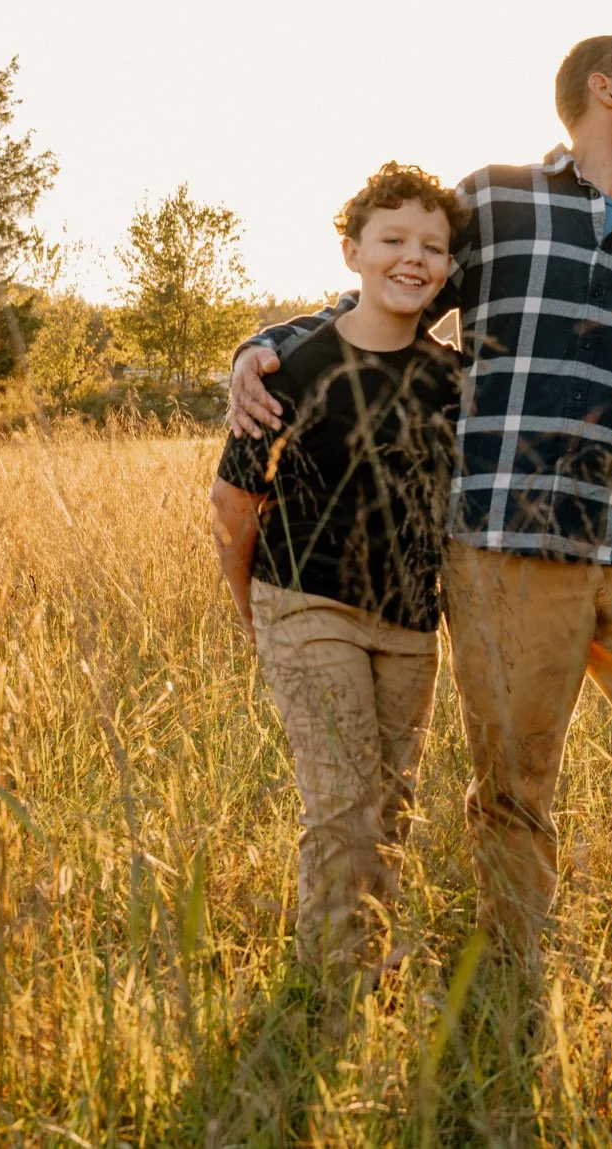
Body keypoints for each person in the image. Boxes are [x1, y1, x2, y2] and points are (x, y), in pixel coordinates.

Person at [227, 37, 612, 967]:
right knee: (516, 785)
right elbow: (391, 292)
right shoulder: (495, 199)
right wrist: (267, 344)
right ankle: (512, 971)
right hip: (503, 541)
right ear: (606, 90)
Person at [210, 162, 464, 981]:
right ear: (353, 250)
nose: (413, 258)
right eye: (393, 239)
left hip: (409, 621)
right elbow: (234, 499)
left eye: (433, 246)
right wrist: (255, 608)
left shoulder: (448, 380)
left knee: (390, 804)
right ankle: (327, 984)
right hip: (305, 599)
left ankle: (374, 963)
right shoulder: (296, 362)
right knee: (344, 802)